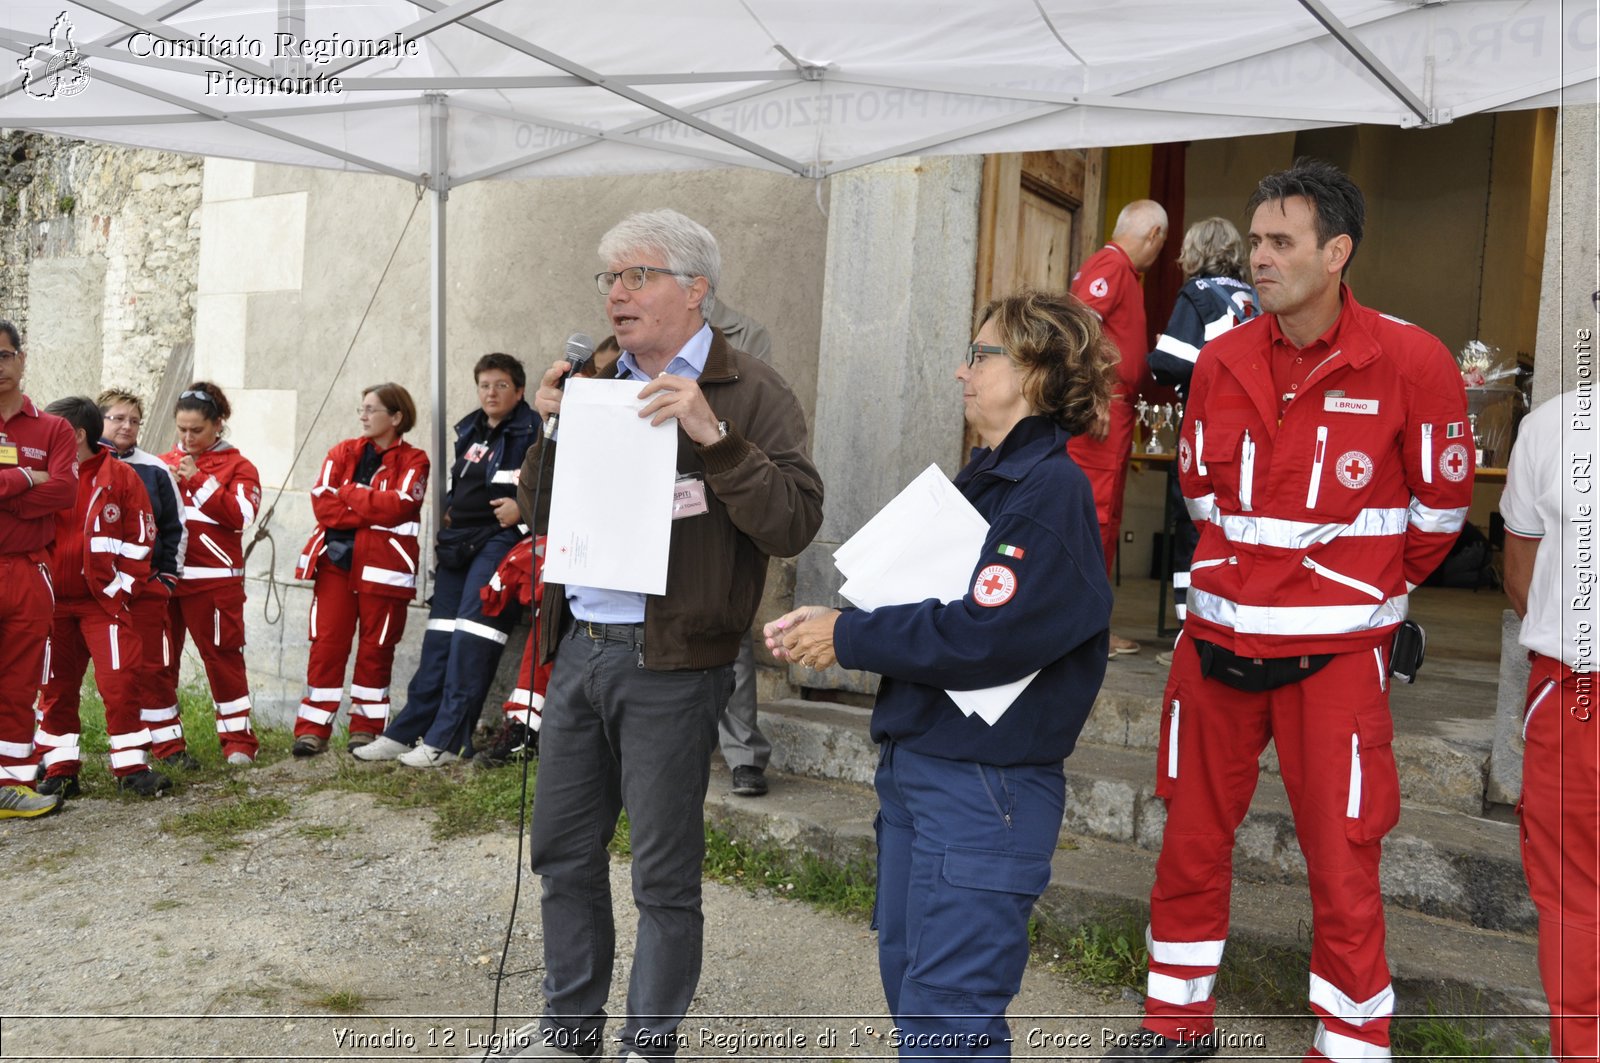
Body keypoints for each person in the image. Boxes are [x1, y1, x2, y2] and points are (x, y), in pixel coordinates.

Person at [1105, 158, 1474, 1062]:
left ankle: (1350, 1044)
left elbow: (1436, 521)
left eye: (1281, 242)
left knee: (1345, 863)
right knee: (1187, 846)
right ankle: (1174, 1026)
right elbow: (1199, 494)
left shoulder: (1411, 360)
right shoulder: (1223, 358)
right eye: (1257, 238)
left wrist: (1350, 595)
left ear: (1336, 251)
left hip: (1337, 661)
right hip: (1216, 648)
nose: (1260, 258)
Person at [502, 208, 823, 1062]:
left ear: (695, 288)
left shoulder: (751, 389)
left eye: (635, 276)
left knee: (663, 876)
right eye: (609, 278)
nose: (616, 294)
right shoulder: (594, 379)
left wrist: (714, 439)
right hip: (580, 651)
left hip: (676, 663)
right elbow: (540, 515)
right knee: (564, 854)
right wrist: (552, 429)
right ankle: (569, 1038)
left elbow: (793, 522)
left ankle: (649, 1046)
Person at [767, 289, 1113, 1059]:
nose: (962, 370)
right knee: (917, 993)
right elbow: (939, 606)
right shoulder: (989, 476)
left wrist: (850, 635)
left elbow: (990, 635)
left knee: (948, 1013)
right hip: (928, 767)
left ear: (1034, 371)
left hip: (984, 786)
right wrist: (838, 624)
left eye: (982, 354)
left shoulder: (1049, 492)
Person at [354, 354, 537, 768]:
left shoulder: (534, 429)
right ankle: (407, 731)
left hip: (500, 542)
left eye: (501, 385)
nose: (491, 393)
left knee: (472, 640)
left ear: (520, 391)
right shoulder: (470, 429)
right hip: (459, 543)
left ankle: (450, 741)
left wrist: (522, 511)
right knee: (438, 639)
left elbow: (551, 485)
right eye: (485, 385)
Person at [1502, 386, 1598, 1063]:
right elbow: (1519, 576)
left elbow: (1519, 579)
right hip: (1573, 689)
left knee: (1575, 896)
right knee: (1573, 896)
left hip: (1574, 687)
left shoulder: (1554, 424)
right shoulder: (1550, 426)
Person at [33, 397, 169, 798]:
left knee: (120, 681)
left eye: (50, 431)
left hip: (103, 605)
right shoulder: (41, 475)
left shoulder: (121, 477)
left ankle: (131, 766)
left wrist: (119, 589)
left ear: (75, 435)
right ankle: (60, 769)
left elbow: (141, 538)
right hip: (54, 605)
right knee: (55, 688)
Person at [292, 383, 430, 756]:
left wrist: (350, 492)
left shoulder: (415, 460)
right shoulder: (342, 452)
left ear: (396, 417)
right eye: (362, 409)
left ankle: (366, 729)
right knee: (327, 646)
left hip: (384, 572)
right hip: (336, 565)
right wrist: (370, 510)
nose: (363, 416)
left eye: (372, 409)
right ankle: (312, 730)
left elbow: (400, 506)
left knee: (376, 649)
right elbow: (323, 503)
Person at [1145, 218, 1259, 660]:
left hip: (1208, 427)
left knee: (1194, 526)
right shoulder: (1253, 298)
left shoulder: (1198, 293)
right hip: (1252, 431)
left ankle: (1192, 632)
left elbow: (1171, 363)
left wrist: (1159, 349)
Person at [1068, 198, 1168, 658]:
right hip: (1103, 410)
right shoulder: (1111, 265)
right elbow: (1078, 325)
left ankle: (1090, 625)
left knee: (1105, 517)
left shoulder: (1125, 272)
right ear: (1154, 237)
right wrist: (1098, 391)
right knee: (1096, 516)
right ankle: (1084, 630)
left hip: (1116, 409)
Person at [158, 382, 264, 766]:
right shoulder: (162, 460)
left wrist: (198, 480)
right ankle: (167, 746)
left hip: (215, 583)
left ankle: (238, 742)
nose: (186, 438)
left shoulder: (239, 466)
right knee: (159, 664)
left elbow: (242, 516)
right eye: (181, 429)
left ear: (218, 425)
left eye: (196, 431)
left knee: (223, 661)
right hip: (167, 583)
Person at [97, 387, 197, 772]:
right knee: (95, 676)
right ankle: (57, 758)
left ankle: (169, 747)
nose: (127, 426)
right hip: (93, 596)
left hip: (145, 591)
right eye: (118, 418)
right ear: (98, 420)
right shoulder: (78, 464)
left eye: (134, 420)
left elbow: (176, 528)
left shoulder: (155, 470)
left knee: (154, 668)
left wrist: (166, 580)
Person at [0, 320, 75, 819]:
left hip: (28, 571)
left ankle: (11, 785)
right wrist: (26, 479)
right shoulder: (37, 452)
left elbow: (66, 492)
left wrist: (14, 504)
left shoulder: (53, 427)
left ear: (22, 359)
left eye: (4, 354)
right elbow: (45, 485)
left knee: (20, 681)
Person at [707, 297, 776, 797]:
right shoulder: (637, 336)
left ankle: (743, 755)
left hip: (721, 492)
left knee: (732, 630)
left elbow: (750, 414)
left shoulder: (745, 334)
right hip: (655, 498)